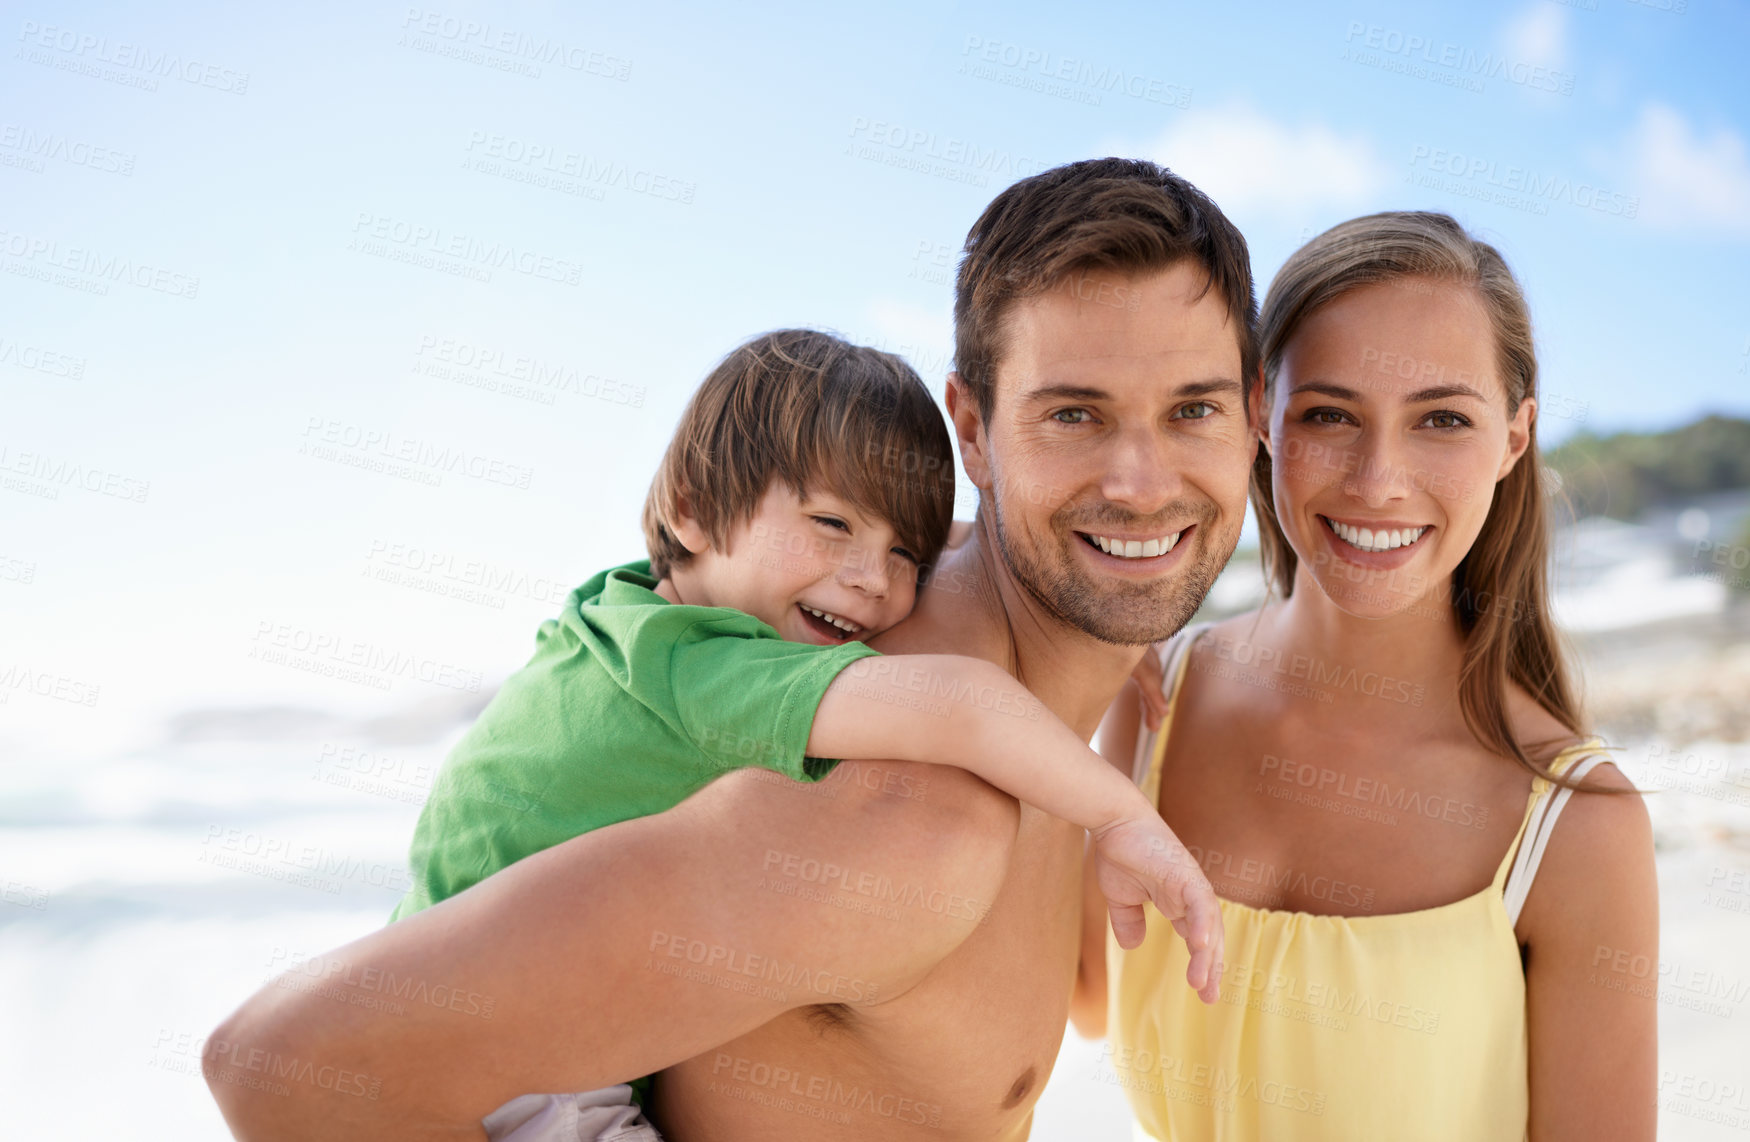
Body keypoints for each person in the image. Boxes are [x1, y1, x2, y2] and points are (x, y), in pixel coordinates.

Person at [203, 156, 1265, 1142]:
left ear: (1254, 417)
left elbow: (1078, 989)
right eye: (1073, 414)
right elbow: (279, 1063)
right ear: (973, 433)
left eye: (1193, 409)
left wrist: (1132, 693)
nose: (1137, 481)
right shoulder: (903, 826)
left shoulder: (1019, 671)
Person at [386, 326, 1226, 1135]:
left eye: (908, 554)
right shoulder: (711, 672)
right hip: (525, 1086)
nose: (869, 581)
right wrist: (1120, 816)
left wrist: (1112, 604)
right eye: (832, 526)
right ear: (690, 508)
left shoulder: (625, 616)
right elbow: (964, 705)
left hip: (460, 994)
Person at [1074, 211, 1658, 1141]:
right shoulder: (1151, 696)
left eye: (1442, 420)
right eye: (1331, 415)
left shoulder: (1578, 825)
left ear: (1514, 438)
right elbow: (1085, 1000)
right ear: (1262, 415)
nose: (1379, 479)